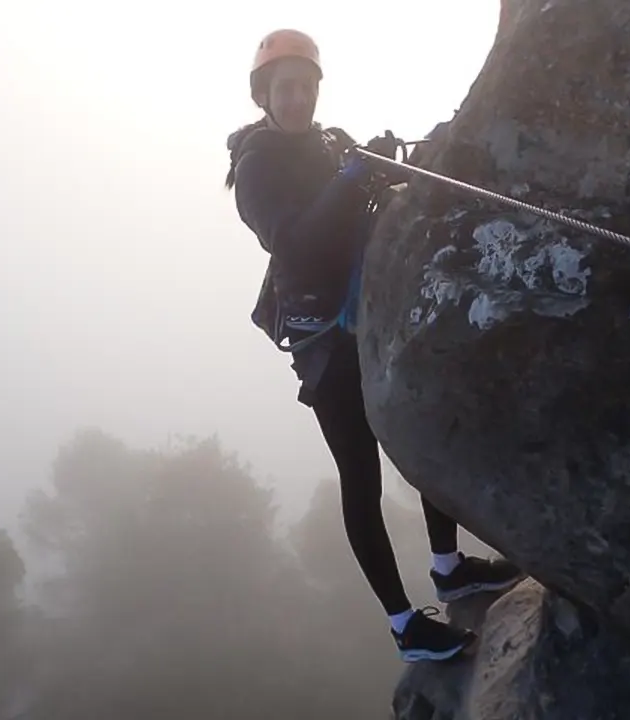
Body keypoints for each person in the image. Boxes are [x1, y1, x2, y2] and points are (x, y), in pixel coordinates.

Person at [224, 29, 524, 662]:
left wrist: (372, 166)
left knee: (414, 429)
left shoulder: (331, 144)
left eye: (306, 85)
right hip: (324, 338)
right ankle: (403, 625)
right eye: (286, 87)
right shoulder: (256, 167)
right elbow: (294, 241)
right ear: (264, 96)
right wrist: (352, 176)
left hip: (368, 309)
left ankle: (448, 567)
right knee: (359, 475)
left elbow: (347, 208)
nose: (299, 96)